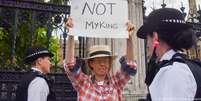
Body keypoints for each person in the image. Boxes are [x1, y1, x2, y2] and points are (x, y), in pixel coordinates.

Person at [63, 18, 137, 101]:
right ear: (91, 63)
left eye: (105, 61)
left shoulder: (116, 82)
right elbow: (70, 65)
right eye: (98, 61)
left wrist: (129, 37)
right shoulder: (83, 82)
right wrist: (71, 34)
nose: (102, 64)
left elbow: (130, 65)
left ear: (109, 63)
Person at [136, 8, 197, 101]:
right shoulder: (175, 67)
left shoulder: (173, 71)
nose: (147, 44)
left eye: (147, 38)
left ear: (155, 37)